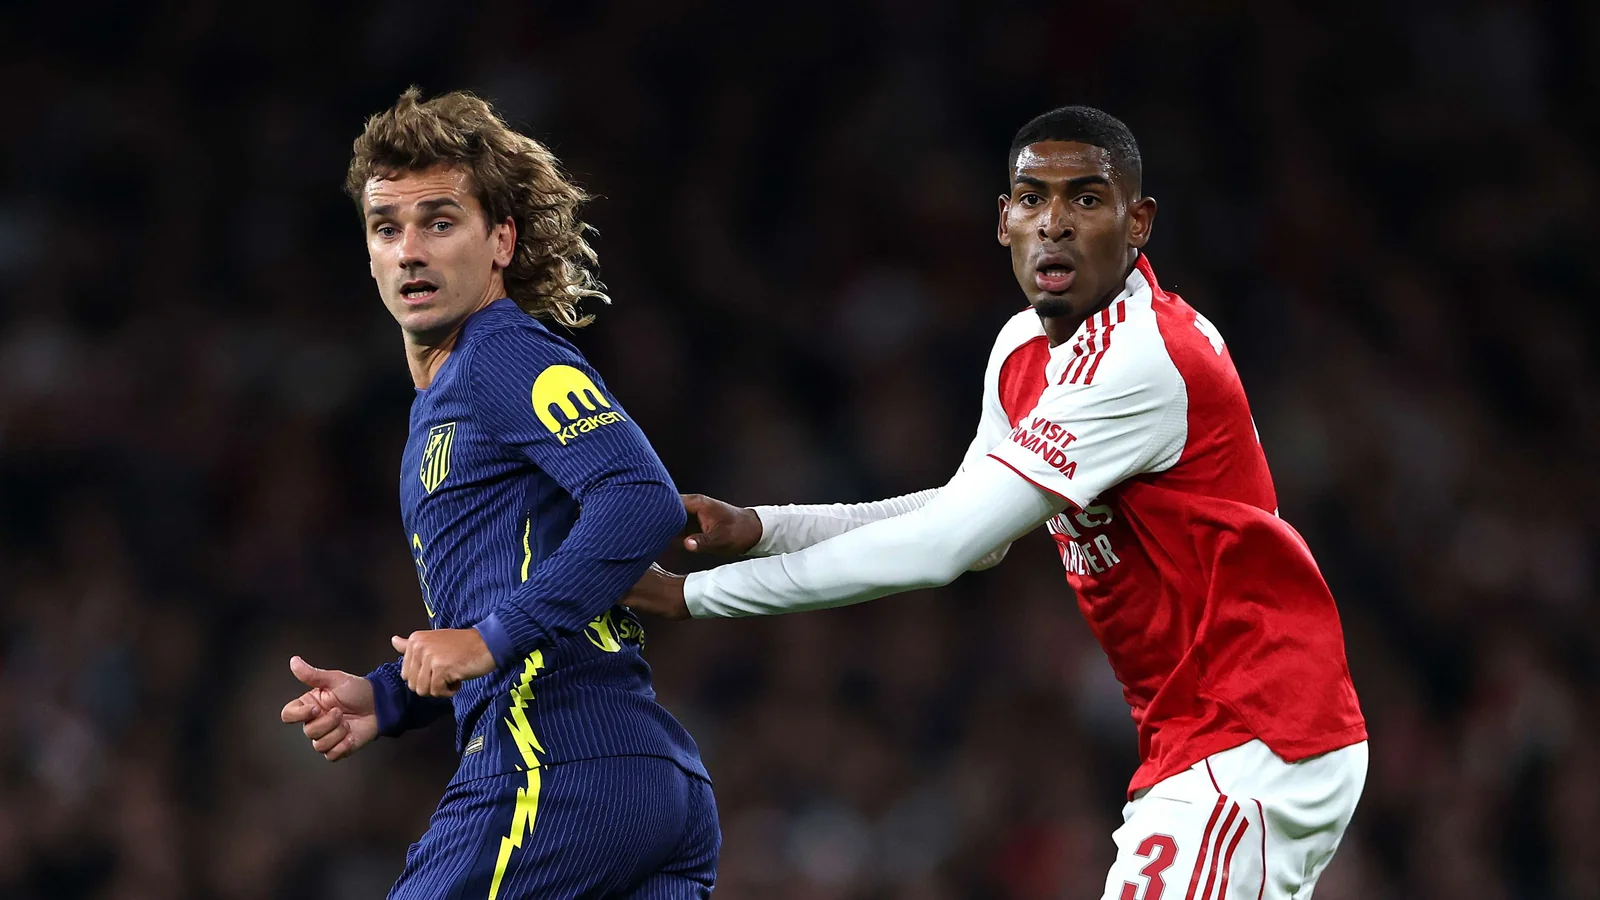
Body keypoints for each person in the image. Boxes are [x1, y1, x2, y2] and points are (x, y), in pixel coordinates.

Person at [626, 106, 1367, 899]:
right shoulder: (1023, 347)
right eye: (1033, 199)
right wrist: (763, 529)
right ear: (1005, 220)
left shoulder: (1143, 359)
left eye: (1087, 199)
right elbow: (967, 524)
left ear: (1138, 222)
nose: (1055, 223)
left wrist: (693, 597)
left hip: (1257, 731)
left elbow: (940, 549)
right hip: (1202, 738)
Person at [278, 88, 718, 899]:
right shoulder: (444, 400)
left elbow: (639, 497)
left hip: (554, 764)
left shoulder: (501, 355)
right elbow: (509, 592)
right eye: (386, 228)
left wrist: (487, 640)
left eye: (440, 222)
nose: (410, 251)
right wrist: (387, 697)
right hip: (639, 780)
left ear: (501, 240)